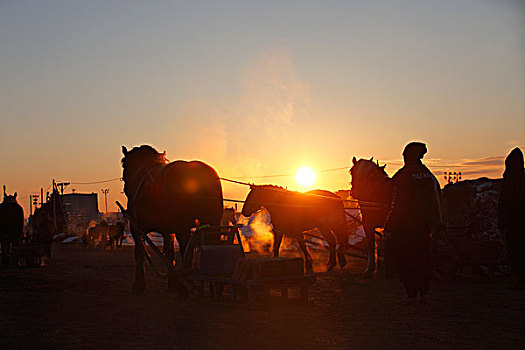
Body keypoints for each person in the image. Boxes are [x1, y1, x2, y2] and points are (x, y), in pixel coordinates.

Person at [384, 142, 442, 301]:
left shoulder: (403, 176)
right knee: (421, 257)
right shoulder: (428, 175)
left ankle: (411, 292)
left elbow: (397, 204)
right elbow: (435, 200)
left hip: (405, 227)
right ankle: (423, 290)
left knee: (405, 259)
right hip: (424, 225)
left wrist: (388, 226)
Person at [498, 147, 525, 289]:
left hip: (513, 224)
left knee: (515, 252)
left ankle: (519, 279)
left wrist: (502, 223)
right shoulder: (520, 179)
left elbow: (504, 203)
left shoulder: (509, 181)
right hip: (517, 223)